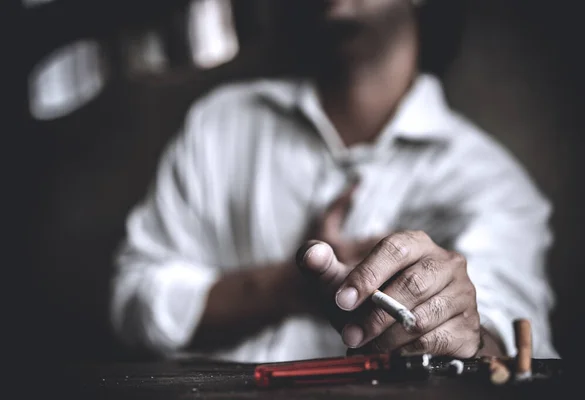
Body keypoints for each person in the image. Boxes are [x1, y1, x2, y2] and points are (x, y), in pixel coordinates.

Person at [110, 0, 559, 362]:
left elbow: (506, 326)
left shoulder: (493, 182)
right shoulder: (219, 124)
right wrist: (289, 286)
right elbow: (132, 301)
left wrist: (468, 335)